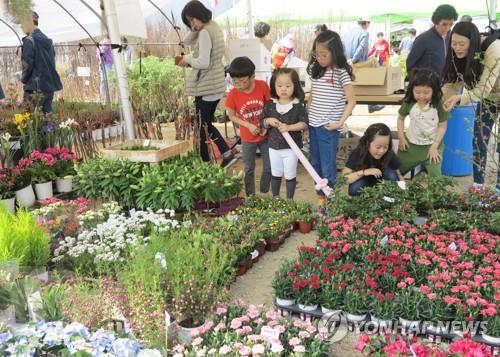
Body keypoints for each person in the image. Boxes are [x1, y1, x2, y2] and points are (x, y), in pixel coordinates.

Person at [441, 22, 500, 192]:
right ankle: (478, 186)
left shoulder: (493, 49)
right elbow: (451, 84)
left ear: (472, 42)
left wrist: (460, 98)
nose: (457, 48)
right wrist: (436, 100)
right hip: (489, 98)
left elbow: (484, 88)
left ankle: (498, 189)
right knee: (478, 138)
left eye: (462, 44)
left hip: (487, 92)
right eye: (453, 43)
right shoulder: (457, 55)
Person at [177, 0, 236, 167]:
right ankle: (225, 154)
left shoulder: (204, 33)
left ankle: (205, 162)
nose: (191, 24)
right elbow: (188, 41)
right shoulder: (213, 26)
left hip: (207, 85)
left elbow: (203, 62)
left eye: (191, 20)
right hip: (215, 83)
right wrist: (193, 28)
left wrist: (186, 59)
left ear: (198, 15)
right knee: (205, 124)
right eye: (188, 22)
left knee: (201, 127)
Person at [307, 30, 356, 206]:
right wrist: (307, 121)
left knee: (328, 167)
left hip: (328, 128)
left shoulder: (340, 73)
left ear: (334, 53)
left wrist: (340, 123)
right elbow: (312, 96)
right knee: (315, 164)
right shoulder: (316, 71)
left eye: (323, 54)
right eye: (316, 54)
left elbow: (352, 101)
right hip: (313, 125)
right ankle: (321, 200)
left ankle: (331, 203)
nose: (319, 58)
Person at [225, 56, 272, 196]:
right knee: (249, 168)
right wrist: (248, 125)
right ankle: (251, 196)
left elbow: (269, 106)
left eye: (242, 81)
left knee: (269, 166)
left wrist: (266, 126)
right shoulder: (233, 94)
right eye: (234, 81)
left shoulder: (262, 86)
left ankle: (264, 193)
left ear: (252, 77)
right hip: (247, 138)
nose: (237, 84)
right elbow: (231, 115)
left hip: (265, 135)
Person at [262, 68, 308, 200]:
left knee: (290, 173)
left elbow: (304, 123)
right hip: (273, 146)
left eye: (288, 86)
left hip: (291, 148)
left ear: (295, 86)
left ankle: (289, 199)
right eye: (279, 85)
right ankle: (275, 198)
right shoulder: (270, 104)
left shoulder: (298, 105)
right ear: (273, 86)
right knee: (275, 172)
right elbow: (263, 121)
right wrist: (268, 121)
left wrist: (289, 127)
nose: (283, 89)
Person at [397, 68, 450, 177]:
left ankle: (435, 194)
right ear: (411, 89)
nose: (421, 96)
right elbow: (400, 118)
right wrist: (401, 137)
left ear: (434, 90)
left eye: (426, 93)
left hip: (432, 147)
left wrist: (435, 145)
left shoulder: (439, 105)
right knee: (396, 171)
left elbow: (442, 126)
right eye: (417, 92)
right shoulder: (409, 103)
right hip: (410, 145)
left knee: (435, 177)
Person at [343, 123, 403, 196]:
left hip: (383, 179)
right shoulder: (358, 153)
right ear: (368, 143)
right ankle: (371, 196)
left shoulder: (389, 153)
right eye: (378, 147)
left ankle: (386, 197)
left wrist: (403, 189)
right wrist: (365, 172)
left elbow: (398, 173)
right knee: (354, 189)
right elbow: (344, 179)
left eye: (385, 147)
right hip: (365, 179)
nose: (381, 151)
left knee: (391, 175)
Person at [20, 11, 62, 113]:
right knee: (47, 119)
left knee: (29, 121)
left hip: (34, 88)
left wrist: (24, 79)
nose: (21, 27)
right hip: (48, 86)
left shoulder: (30, 41)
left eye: (22, 23)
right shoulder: (47, 40)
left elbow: (27, 65)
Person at [342, 16, 383, 113]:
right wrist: (353, 60)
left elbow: (342, 48)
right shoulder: (364, 33)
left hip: (347, 64)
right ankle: (373, 104)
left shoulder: (347, 33)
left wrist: (347, 60)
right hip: (357, 64)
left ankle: (347, 106)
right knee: (373, 61)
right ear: (367, 23)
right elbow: (361, 48)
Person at [406, 4, 458, 78]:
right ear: (436, 22)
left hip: (448, 85)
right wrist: (421, 82)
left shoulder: (453, 38)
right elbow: (410, 65)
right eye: (444, 24)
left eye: (451, 24)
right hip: (428, 86)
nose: (447, 28)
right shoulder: (423, 39)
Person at [96, 37, 113, 104]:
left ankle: (105, 100)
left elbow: (98, 55)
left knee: (105, 82)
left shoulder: (100, 44)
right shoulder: (106, 43)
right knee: (106, 82)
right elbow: (101, 53)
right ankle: (105, 100)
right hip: (106, 64)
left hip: (104, 64)